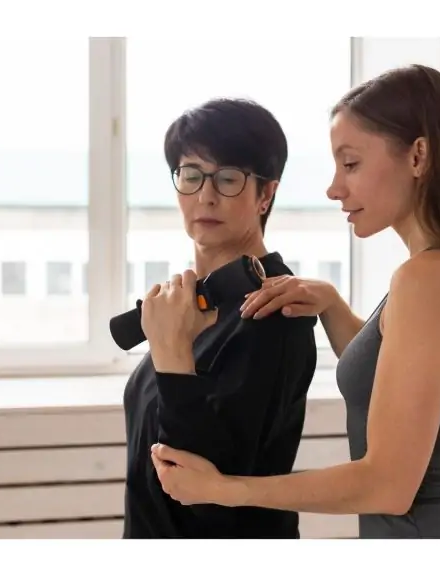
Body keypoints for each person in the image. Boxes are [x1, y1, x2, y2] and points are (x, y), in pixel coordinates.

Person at [148, 64, 440, 539]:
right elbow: (397, 382)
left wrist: (228, 488)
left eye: (351, 164)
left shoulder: (429, 279)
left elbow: (387, 486)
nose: (335, 188)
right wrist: (332, 304)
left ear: (418, 156)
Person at [122, 97, 319, 538]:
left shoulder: (276, 310)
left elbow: (209, 493)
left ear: (265, 193)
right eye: (191, 176)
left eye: (228, 178)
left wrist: (172, 356)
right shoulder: (193, 304)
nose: (206, 195)